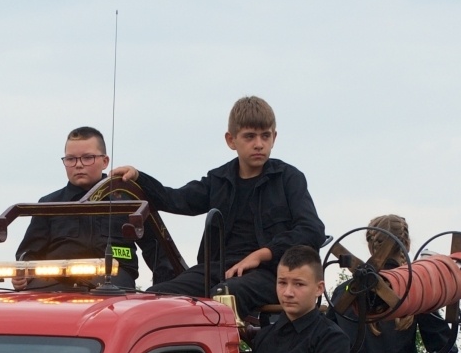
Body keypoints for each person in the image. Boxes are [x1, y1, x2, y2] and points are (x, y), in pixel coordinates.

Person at [109, 96, 323, 313]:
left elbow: (312, 230)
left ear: (274, 137)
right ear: (231, 140)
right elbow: (175, 199)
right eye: (249, 136)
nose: (259, 144)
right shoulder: (218, 180)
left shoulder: (288, 178)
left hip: (270, 273)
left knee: (223, 296)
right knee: (154, 297)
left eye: (265, 136)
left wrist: (262, 254)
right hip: (217, 269)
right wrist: (138, 177)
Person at [14, 126, 161, 290]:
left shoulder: (130, 201)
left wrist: (163, 292)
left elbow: (158, 253)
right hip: (54, 286)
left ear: (105, 161)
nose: (78, 165)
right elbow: (28, 254)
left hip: (113, 285)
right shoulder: (48, 205)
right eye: (71, 159)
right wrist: (23, 273)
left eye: (87, 158)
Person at [330, 215, 458, 353]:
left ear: (370, 245)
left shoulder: (343, 292)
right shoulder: (416, 288)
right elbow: (442, 346)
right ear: (406, 244)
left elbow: (325, 340)